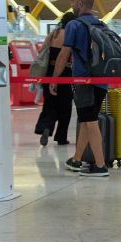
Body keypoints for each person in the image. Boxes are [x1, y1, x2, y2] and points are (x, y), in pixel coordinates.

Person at [50, 0, 108, 177]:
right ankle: (76, 159)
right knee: (86, 119)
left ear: (80, 4)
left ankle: (100, 165)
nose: (72, 4)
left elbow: (64, 53)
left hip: (84, 80)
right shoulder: (101, 25)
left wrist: (55, 78)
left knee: (90, 122)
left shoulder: (74, 25)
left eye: (73, 1)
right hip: (102, 80)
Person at [35, 12, 75, 146]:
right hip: (65, 72)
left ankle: (46, 127)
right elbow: (65, 56)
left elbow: (42, 51)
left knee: (49, 104)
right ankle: (61, 136)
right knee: (65, 105)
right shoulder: (70, 35)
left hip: (49, 71)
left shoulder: (54, 33)